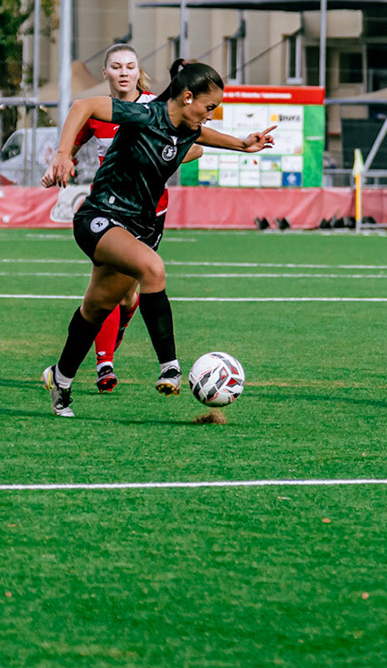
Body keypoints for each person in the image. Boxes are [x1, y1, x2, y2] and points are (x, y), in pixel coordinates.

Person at [39, 59, 275, 418]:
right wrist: (62, 155)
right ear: (186, 96)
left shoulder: (187, 129)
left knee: (96, 309)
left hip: (137, 227)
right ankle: (170, 367)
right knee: (153, 268)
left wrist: (243, 145)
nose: (211, 115)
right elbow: (82, 106)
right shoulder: (144, 114)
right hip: (99, 216)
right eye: (209, 107)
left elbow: (201, 136)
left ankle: (61, 379)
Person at [67, 44, 162, 394]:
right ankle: (103, 363)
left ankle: (112, 336)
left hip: (149, 215)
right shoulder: (99, 112)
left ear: (139, 72)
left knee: (125, 297)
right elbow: (73, 142)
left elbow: (191, 146)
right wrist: (63, 160)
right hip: (107, 211)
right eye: (116, 66)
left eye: (130, 66)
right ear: (105, 73)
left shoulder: (157, 108)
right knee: (104, 289)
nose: (123, 72)